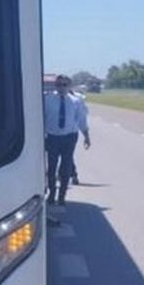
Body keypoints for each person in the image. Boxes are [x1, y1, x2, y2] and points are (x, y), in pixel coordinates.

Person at [43, 74, 90, 209]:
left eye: (64, 85)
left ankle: (62, 195)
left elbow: (81, 119)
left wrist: (86, 135)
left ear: (69, 86)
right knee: (51, 166)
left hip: (69, 137)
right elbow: (42, 118)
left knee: (66, 166)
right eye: (59, 85)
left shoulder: (76, 101)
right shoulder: (47, 100)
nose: (61, 88)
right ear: (55, 86)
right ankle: (52, 193)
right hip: (52, 137)